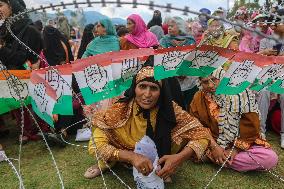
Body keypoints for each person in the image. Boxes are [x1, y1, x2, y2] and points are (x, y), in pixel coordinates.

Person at [85, 66, 211, 179]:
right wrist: (131, 157)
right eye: (142, 86)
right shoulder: (121, 109)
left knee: (182, 133)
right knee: (103, 137)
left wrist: (179, 158)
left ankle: (160, 165)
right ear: (134, 88)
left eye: (154, 88)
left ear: (161, 92)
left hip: (159, 156)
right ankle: (107, 163)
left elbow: (202, 134)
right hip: (124, 151)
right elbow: (96, 145)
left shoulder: (170, 109)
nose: (147, 94)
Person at [189, 68, 278, 172]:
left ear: (222, 77)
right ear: (200, 83)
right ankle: (219, 157)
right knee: (193, 147)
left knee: (270, 158)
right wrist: (215, 147)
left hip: (240, 143)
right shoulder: (198, 97)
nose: (211, 85)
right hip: (211, 141)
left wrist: (235, 150)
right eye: (205, 82)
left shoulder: (239, 93)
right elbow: (196, 125)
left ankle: (215, 158)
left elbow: (251, 127)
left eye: (214, 79)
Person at [0, 0, 49, 143]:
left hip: (29, 74)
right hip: (11, 74)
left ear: (11, 6)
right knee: (18, 104)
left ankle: (41, 128)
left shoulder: (29, 29)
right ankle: (26, 130)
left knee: (32, 101)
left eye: (0, 5)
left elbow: (21, 57)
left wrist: (2, 48)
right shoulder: (5, 29)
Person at [256, 9, 284, 148]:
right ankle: (260, 132)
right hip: (268, 74)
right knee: (264, 90)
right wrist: (265, 53)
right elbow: (258, 61)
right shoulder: (265, 41)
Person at [159, 16, 197, 108]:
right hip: (171, 76)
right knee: (173, 103)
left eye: (172, 26)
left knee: (189, 103)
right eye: (168, 26)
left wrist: (184, 71)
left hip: (187, 77)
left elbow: (192, 58)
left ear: (180, 27)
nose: (169, 28)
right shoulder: (164, 41)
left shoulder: (190, 40)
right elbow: (161, 58)